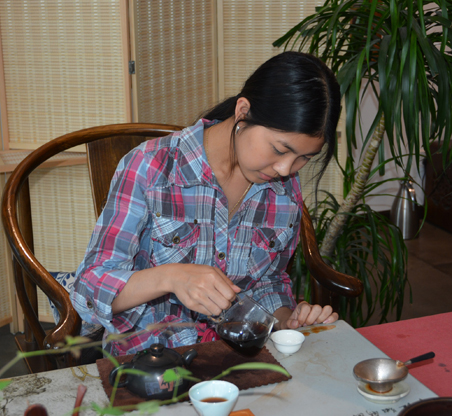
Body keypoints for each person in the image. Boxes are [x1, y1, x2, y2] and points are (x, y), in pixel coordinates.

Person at [71, 51, 341, 356]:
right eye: (279, 149)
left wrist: (286, 322)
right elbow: (88, 290)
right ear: (243, 111)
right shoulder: (152, 166)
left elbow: (268, 282)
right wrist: (172, 277)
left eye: (304, 158)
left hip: (237, 358)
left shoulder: (283, 190)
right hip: (150, 362)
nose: (285, 169)